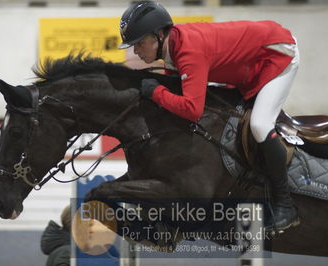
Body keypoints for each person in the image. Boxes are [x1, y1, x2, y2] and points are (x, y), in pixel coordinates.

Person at [118, 1, 300, 231]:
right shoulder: (172, 48)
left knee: (259, 125)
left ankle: (285, 205)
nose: (135, 51)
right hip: (250, 65)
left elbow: (192, 110)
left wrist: (156, 92)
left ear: (159, 35)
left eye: (139, 43)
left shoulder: (188, 51)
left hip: (277, 54)